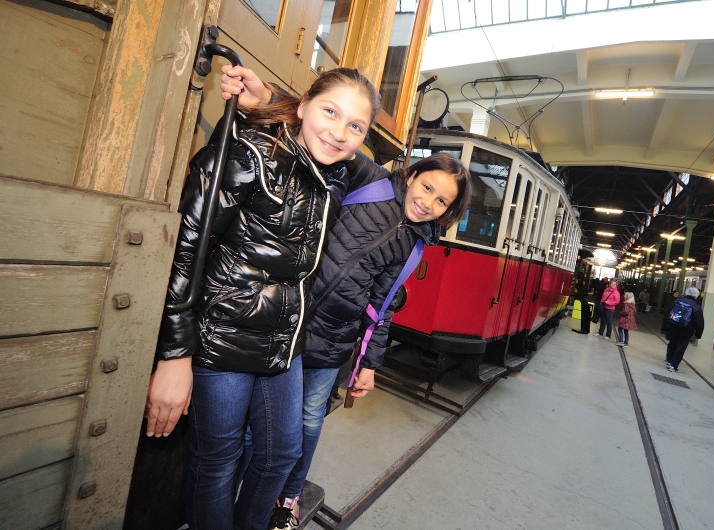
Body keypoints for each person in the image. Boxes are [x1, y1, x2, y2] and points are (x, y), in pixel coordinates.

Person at [146, 67, 386, 530]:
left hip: (283, 341)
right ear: (303, 107)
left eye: (355, 126)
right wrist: (174, 355)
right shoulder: (250, 151)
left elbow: (383, 177)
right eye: (329, 112)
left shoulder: (336, 174)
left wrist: (269, 99)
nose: (339, 133)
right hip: (223, 337)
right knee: (218, 460)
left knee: (281, 455)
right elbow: (186, 249)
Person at [268, 153, 471, 529]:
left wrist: (368, 365)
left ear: (448, 211)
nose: (427, 203)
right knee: (269, 417)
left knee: (310, 418)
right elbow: (333, 143)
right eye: (427, 187)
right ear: (411, 175)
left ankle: (289, 497)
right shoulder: (370, 182)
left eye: (441, 201)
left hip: (332, 341)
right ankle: (256, 489)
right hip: (286, 318)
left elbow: (382, 305)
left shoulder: (413, 244)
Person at [665, 287, 704, 372]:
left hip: (674, 326)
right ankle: (673, 365)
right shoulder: (696, 306)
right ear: (696, 296)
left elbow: (668, 313)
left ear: (686, 293)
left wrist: (666, 327)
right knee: (681, 347)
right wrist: (698, 334)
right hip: (687, 330)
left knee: (672, 343)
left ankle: (669, 360)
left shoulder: (677, 301)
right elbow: (699, 322)